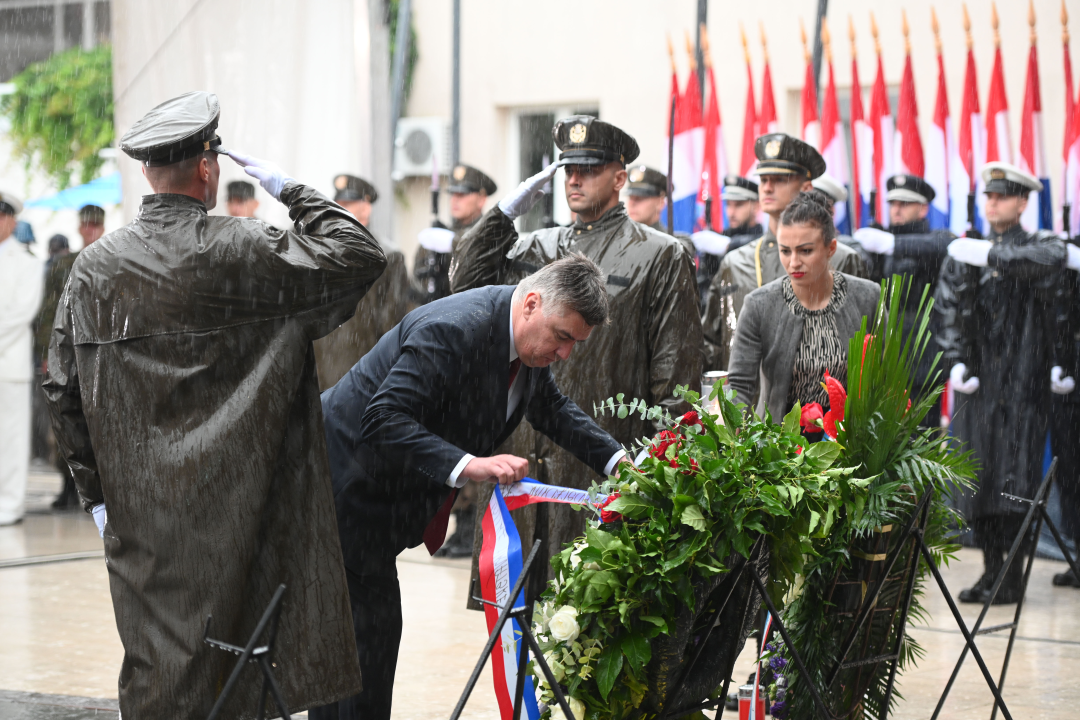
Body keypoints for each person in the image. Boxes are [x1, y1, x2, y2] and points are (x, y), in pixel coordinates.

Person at [43, 91, 386, 716]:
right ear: (207, 167)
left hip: (141, 515)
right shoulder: (242, 250)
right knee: (239, 665)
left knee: (160, 672)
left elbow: (63, 390)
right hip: (243, 505)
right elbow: (361, 255)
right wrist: (291, 189)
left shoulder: (93, 270)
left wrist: (96, 495)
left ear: (147, 170)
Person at [314, 254, 626, 720]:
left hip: (379, 500)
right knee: (364, 649)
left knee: (361, 650)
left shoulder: (521, 342)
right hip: (347, 490)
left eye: (575, 344)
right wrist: (468, 464)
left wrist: (623, 463)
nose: (565, 354)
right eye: (563, 337)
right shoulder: (454, 330)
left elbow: (551, 410)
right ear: (532, 304)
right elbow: (382, 418)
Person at [451, 115, 702, 601]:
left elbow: (677, 387)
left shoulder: (659, 255)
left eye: (588, 167)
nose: (574, 178)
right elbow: (464, 281)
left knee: (584, 638)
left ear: (620, 176)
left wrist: (653, 481)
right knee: (513, 631)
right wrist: (504, 214)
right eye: (568, 167)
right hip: (520, 466)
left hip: (599, 468)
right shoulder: (534, 247)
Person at [935, 161, 1073, 605]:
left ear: (1022, 201)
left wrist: (993, 256)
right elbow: (948, 309)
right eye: (988, 195)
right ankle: (991, 570)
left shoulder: (1038, 245)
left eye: (1002, 195)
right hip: (979, 385)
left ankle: (1010, 577)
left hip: (1024, 383)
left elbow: (1052, 261)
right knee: (981, 483)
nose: (991, 202)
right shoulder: (966, 250)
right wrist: (954, 360)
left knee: (1016, 482)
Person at [702, 134, 865, 372]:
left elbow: (863, 346)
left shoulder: (839, 258)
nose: (767, 187)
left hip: (819, 405)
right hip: (745, 402)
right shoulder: (735, 262)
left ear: (806, 187)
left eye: (779, 179)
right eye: (763, 179)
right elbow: (712, 344)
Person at [727, 191, 880, 421]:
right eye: (785, 251)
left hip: (853, 446)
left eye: (805, 251)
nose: (793, 262)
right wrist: (735, 435)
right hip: (779, 447)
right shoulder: (759, 305)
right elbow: (739, 386)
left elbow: (887, 380)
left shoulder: (867, 297)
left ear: (831, 248)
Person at [851, 174, 955, 426]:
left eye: (904, 204)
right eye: (893, 203)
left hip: (920, 356)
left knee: (919, 435)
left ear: (923, 208)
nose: (896, 209)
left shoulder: (933, 238)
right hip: (884, 353)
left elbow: (946, 245)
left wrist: (892, 244)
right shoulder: (880, 239)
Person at [34, 206, 106, 509]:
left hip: (101, 352)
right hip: (68, 351)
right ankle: (68, 484)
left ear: (101, 227)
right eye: (86, 225)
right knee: (65, 419)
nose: (89, 230)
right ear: (79, 227)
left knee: (99, 421)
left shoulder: (111, 257)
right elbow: (49, 313)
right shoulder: (64, 264)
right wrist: (47, 353)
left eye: (95, 225)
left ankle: (98, 489)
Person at [312, 174, 410, 390]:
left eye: (348, 204)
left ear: (366, 209)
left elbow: (391, 324)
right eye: (338, 203)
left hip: (360, 373)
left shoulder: (388, 256)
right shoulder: (318, 248)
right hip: (320, 373)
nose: (340, 209)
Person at [0, 190, 44, 526]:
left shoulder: (27, 263)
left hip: (9, 362)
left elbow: (22, 312)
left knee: (12, 438)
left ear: (12, 220)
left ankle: (10, 505)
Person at [411, 164, 497, 307]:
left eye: (462, 194)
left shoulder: (492, 233)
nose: (455, 200)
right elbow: (416, 284)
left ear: (481, 199)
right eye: (453, 193)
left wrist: (452, 245)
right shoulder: (441, 235)